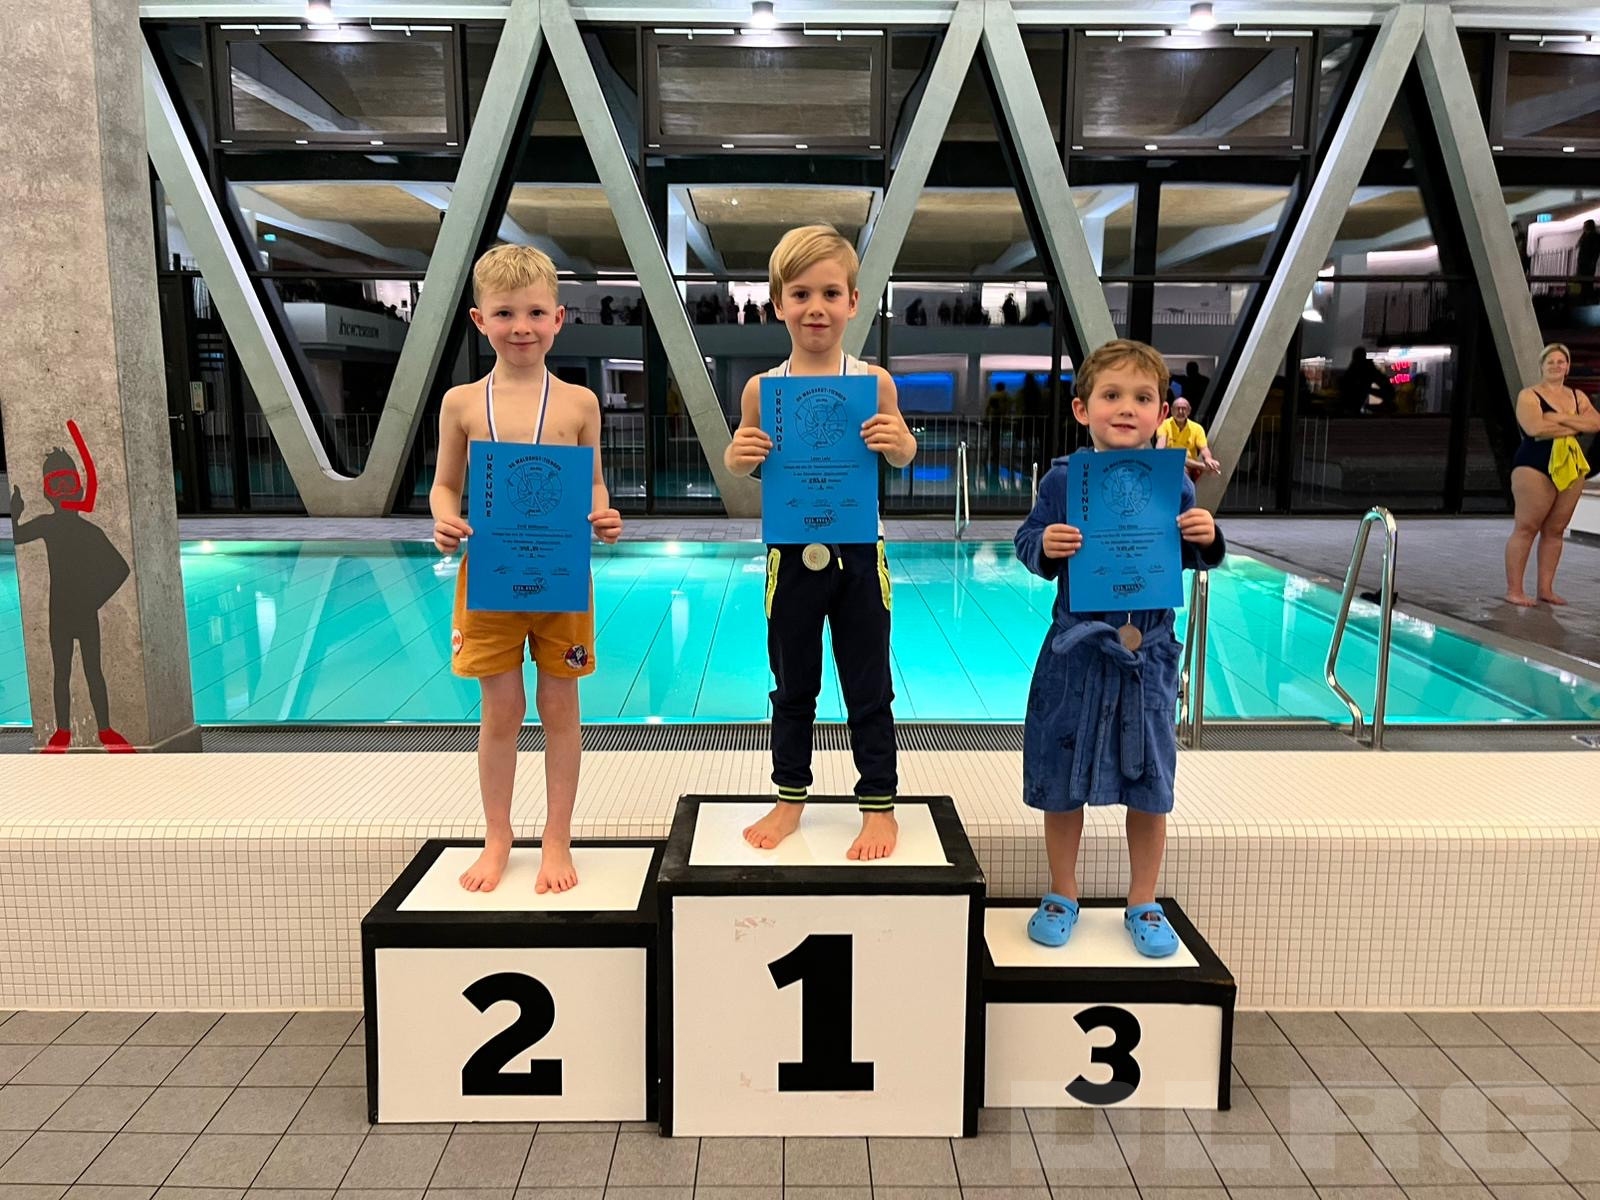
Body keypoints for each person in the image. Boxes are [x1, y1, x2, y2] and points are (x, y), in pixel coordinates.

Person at [1014, 339, 1225, 956]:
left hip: (1147, 659)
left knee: (1151, 783)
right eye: (1111, 395)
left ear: (1162, 413)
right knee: (1061, 778)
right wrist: (1045, 545)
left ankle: (1143, 900)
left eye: (1142, 397)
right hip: (1076, 656)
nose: (1127, 408)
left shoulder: (1173, 484)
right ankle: (1062, 890)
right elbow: (1027, 542)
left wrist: (1206, 537)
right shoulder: (1063, 480)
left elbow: (1189, 554)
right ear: (1082, 409)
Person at [430, 245, 624, 893]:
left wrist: (604, 515)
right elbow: (444, 485)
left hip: (562, 576)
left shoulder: (579, 403)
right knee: (502, 711)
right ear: (479, 320)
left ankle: (557, 836)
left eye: (536, 313)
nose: (522, 326)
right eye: (505, 313)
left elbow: (592, 483)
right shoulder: (462, 402)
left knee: (561, 707)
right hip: (489, 576)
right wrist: (445, 520)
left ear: (559, 319)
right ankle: (498, 835)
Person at [723, 224, 917, 861]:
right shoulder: (763, 390)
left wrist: (901, 444)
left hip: (860, 552)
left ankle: (879, 806)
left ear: (853, 302)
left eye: (830, 293)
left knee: (870, 685)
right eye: (800, 294)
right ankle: (789, 800)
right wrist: (737, 456)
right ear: (778, 303)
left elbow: (903, 453)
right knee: (792, 684)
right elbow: (743, 458)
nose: (816, 308)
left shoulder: (874, 382)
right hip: (790, 554)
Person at [1504, 342, 1598, 607]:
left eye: (1561, 361)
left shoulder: (1578, 396)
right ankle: (1514, 590)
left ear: (1567, 367)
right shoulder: (1529, 395)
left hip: (1570, 462)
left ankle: (1545, 589)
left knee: (1555, 530)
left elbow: (1596, 423)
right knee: (1527, 527)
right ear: (1542, 366)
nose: (1556, 366)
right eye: (1551, 362)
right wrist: (1576, 425)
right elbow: (1535, 428)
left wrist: (1556, 419)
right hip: (1534, 463)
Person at [1156, 397, 1222, 481]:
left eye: (1184, 409)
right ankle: (1201, 466)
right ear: (1171, 410)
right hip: (1168, 463)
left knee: (1181, 465)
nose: (1180, 412)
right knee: (1174, 460)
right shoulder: (1164, 424)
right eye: (1177, 408)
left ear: (1189, 411)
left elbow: (1204, 448)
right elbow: (1160, 444)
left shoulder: (1197, 428)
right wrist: (1159, 453)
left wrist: (1208, 458)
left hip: (1189, 467)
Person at [1337, 346, 1394, 416]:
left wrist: (1367, 389)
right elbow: (1389, 391)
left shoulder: (1361, 370)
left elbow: (1389, 391)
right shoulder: (1364, 370)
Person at [1576, 219, 1599, 304]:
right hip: (1586, 264)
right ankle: (1586, 299)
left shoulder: (1590, 237)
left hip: (1586, 264)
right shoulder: (1588, 237)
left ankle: (1586, 299)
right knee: (1586, 283)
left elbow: (1593, 251)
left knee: (1585, 283)